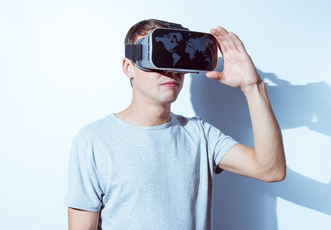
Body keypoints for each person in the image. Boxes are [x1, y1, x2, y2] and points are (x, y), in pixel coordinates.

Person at [65, 19, 286, 230]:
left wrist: (253, 86)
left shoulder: (200, 135)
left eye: (177, 58)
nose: (170, 70)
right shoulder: (94, 140)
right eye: (159, 54)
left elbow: (271, 169)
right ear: (128, 67)